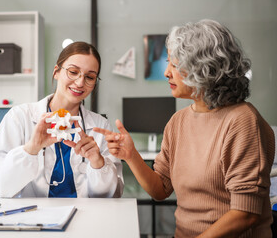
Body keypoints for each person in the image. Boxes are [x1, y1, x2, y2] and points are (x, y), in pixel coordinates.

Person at [94, 19, 275, 237]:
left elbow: (245, 213)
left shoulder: (243, 122)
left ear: (205, 67)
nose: (166, 72)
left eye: (175, 64)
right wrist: (130, 154)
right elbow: (160, 190)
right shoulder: (178, 122)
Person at [0, 41, 124, 198]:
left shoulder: (100, 126)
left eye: (90, 77)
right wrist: (30, 149)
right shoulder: (20, 117)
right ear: (56, 72)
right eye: (73, 72)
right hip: (34, 217)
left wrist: (98, 163)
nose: (80, 82)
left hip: (85, 216)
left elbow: (113, 196)